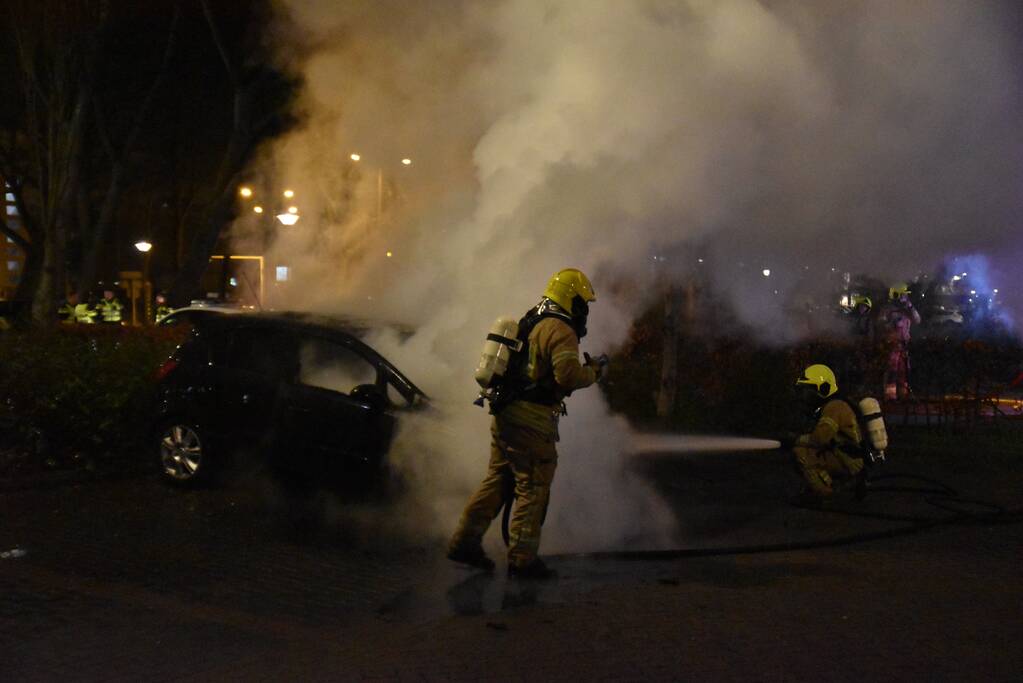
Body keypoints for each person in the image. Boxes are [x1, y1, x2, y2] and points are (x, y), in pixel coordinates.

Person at [447, 268, 605, 579]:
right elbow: (567, 376)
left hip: (505, 414)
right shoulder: (561, 329)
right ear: (571, 299)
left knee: (497, 480)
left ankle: (464, 542)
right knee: (532, 486)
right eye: (583, 303)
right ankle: (522, 560)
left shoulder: (532, 319)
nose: (584, 310)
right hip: (532, 421)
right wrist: (595, 372)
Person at [791, 364, 866, 507]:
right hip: (846, 457)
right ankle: (834, 484)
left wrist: (795, 439)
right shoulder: (834, 405)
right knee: (809, 451)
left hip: (850, 461)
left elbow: (819, 439)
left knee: (800, 452)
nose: (806, 396)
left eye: (809, 390)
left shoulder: (834, 407)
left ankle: (825, 493)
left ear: (823, 389)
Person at [878, 283, 920, 399]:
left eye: (905, 295)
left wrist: (910, 306)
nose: (904, 297)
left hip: (904, 345)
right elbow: (880, 324)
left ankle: (903, 394)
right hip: (892, 345)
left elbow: (917, 320)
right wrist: (892, 324)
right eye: (902, 295)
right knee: (892, 369)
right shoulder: (888, 309)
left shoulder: (907, 309)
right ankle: (890, 395)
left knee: (904, 370)